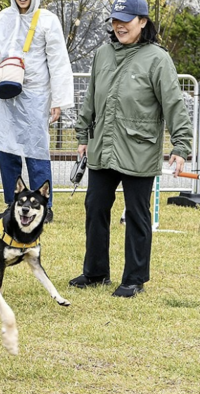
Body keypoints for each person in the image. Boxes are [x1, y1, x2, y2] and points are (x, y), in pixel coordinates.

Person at [69, 0, 193, 297]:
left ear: (142, 22)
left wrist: (181, 144)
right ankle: (95, 272)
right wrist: (83, 135)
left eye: (125, 20)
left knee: (137, 214)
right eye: (114, 20)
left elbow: (173, 104)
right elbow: (91, 98)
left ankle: (134, 279)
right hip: (103, 147)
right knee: (95, 208)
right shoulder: (102, 54)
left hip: (140, 148)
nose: (118, 26)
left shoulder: (158, 59)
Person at [0, 0, 74, 223]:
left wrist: (58, 99)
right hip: (6, 94)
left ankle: (43, 206)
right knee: (6, 151)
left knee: (36, 152)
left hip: (36, 96)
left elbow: (58, 62)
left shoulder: (47, 20)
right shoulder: (0, 20)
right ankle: (14, 202)